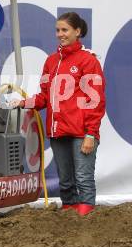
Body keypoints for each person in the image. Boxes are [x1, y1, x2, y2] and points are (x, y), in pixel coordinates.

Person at [11, 12, 105, 215]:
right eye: (57, 30)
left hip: (82, 132)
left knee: (83, 178)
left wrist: (91, 133)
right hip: (57, 130)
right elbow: (44, 96)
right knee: (65, 180)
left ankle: (87, 223)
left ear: (77, 31)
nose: (60, 34)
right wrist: (24, 102)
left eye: (65, 30)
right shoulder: (51, 61)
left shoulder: (89, 61)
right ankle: (68, 217)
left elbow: (95, 101)